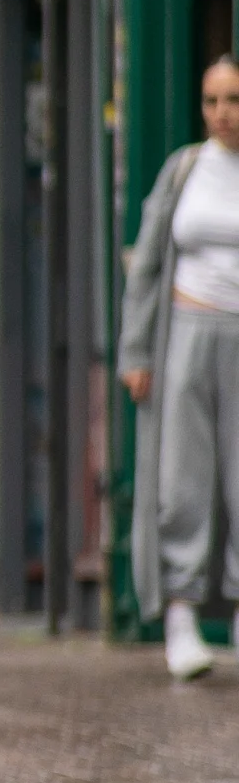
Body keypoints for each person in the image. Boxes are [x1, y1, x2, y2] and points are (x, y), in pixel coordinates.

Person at [123, 58, 239, 678]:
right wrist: (135, 352)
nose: (222, 112)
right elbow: (144, 268)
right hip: (186, 337)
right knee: (181, 481)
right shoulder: (185, 169)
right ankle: (181, 618)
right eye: (211, 99)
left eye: (234, 99)